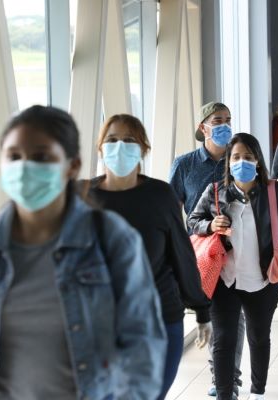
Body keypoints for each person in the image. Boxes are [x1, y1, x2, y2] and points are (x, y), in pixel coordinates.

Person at [0, 106, 167, 400]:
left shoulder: (110, 237)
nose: (25, 167)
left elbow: (142, 344)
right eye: (14, 156)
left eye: (41, 157)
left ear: (72, 166)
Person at [88, 114, 212, 400]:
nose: (120, 146)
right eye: (112, 140)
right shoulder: (83, 196)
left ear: (143, 149)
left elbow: (180, 253)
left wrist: (201, 308)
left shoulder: (159, 195)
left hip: (158, 319)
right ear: (100, 148)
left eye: (129, 140)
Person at [188, 133, 278, 400]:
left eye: (248, 157)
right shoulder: (216, 192)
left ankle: (257, 392)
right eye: (236, 157)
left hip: (263, 281)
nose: (242, 162)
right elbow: (193, 221)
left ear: (258, 161)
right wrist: (209, 224)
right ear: (228, 163)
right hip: (224, 280)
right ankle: (225, 395)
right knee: (224, 341)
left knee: (258, 338)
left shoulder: (275, 192)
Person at [169, 102, 244, 398]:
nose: (224, 124)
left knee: (233, 317)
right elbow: (173, 210)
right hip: (201, 253)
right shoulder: (184, 164)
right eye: (217, 120)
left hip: (236, 252)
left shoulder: (238, 161)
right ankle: (221, 371)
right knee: (213, 316)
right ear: (204, 127)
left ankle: (227, 377)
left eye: (228, 119)